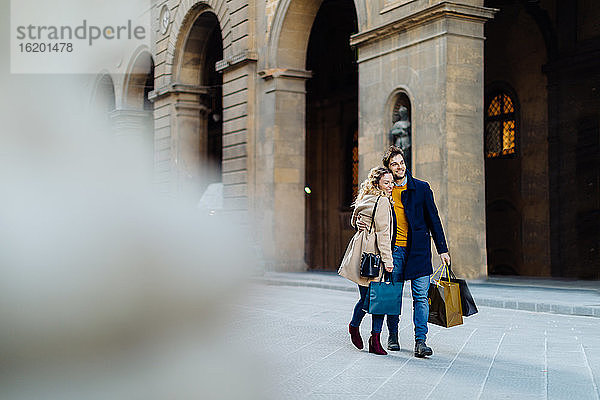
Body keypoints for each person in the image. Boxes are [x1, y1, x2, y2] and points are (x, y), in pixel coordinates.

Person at [357, 146, 450, 358]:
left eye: (401, 162)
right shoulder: (384, 192)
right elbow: (365, 211)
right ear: (388, 168)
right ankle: (393, 335)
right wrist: (359, 222)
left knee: (420, 296)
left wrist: (442, 249)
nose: (399, 167)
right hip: (394, 251)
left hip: (419, 251)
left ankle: (421, 341)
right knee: (393, 294)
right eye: (394, 164)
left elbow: (434, 220)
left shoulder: (422, 188)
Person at [338, 166, 396, 355]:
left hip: (360, 252)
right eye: (386, 183)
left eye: (391, 182)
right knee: (378, 298)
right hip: (375, 255)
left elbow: (354, 221)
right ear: (377, 183)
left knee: (366, 297)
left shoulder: (364, 198)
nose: (390, 186)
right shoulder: (383, 202)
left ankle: (356, 327)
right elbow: (383, 233)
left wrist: (361, 225)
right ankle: (374, 339)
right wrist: (388, 260)